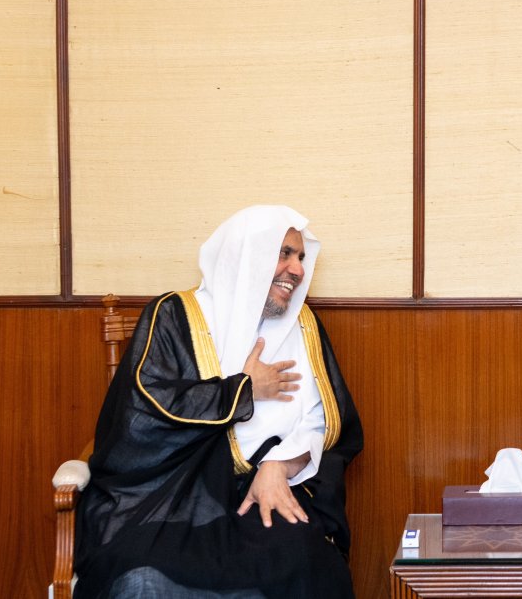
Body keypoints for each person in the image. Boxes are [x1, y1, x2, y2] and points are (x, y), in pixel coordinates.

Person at [74, 205, 363, 599]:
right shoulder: (174, 314)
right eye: (284, 253)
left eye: (301, 258)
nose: (297, 270)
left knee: (308, 563)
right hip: (173, 495)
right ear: (247, 255)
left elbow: (326, 421)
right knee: (142, 578)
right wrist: (242, 389)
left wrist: (279, 466)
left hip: (265, 493)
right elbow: (143, 412)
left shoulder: (303, 325)